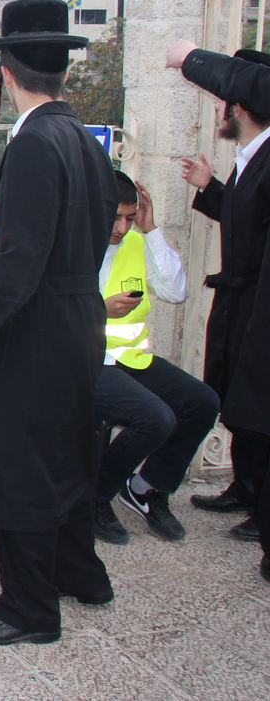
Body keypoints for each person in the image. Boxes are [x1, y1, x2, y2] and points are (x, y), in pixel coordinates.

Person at [0, 0, 118, 646]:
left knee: (11, 464)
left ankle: (29, 608)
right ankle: (82, 573)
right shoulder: (80, 137)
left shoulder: (35, 141)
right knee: (65, 453)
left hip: (33, 330)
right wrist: (8, 224)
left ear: (6, 70)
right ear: (61, 71)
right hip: (76, 322)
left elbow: (17, 267)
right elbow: (80, 227)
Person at [167, 41, 270, 577]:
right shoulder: (254, 157)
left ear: (240, 105)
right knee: (238, 397)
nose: (217, 111)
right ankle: (247, 488)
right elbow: (250, 215)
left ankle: (259, 500)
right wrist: (212, 188)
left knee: (256, 400)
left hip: (255, 303)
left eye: (222, 101)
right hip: (243, 297)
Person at [89, 171, 219, 545]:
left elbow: (176, 292)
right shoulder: (75, 243)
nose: (122, 227)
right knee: (156, 419)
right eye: (115, 217)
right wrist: (101, 309)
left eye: (130, 217)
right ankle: (96, 496)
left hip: (130, 358)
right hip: (88, 359)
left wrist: (151, 230)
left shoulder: (136, 241)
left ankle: (146, 488)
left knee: (202, 402)